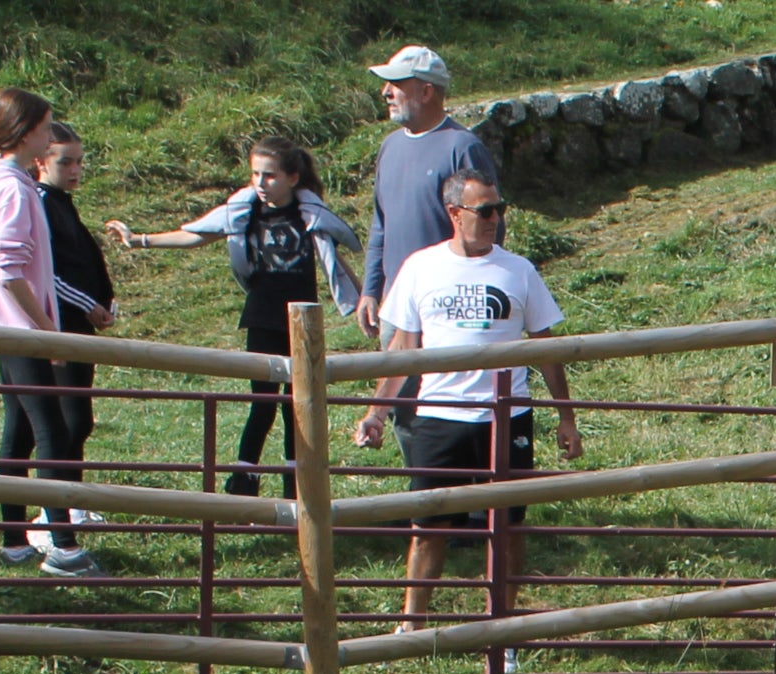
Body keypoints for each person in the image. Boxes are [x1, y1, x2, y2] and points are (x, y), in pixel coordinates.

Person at [351, 172, 583, 629]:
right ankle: (411, 623)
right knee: (429, 523)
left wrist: (567, 418)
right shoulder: (420, 267)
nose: (497, 219)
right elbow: (403, 348)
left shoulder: (519, 270)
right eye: (486, 211)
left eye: (500, 209)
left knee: (508, 525)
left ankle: (504, 624)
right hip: (440, 414)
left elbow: (548, 348)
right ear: (455, 214)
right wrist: (376, 413)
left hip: (508, 414)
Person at [109, 140, 361, 498]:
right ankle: (244, 482)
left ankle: (298, 487)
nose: (261, 182)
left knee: (298, 407)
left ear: (292, 177)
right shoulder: (245, 212)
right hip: (261, 316)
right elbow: (196, 234)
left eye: (270, 175)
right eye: (256, 173)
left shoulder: (310, 217)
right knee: (262, 403)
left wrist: (367, 299)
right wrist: (141, 240)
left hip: (301, 319)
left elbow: (335, 262)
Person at [0, 88, 98, 578]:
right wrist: (45, 328)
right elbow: (7, 264)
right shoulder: (14, 187)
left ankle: (15, 541)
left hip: (5, 328)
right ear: (23, 132)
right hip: (18, 329)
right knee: (52, 432)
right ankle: (63, 547)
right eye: (45, 127)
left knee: (18, 432)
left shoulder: (0, 179)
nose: (49, 134)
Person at [12, 124, 113, 553]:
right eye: (65, 161)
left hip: (78, 324)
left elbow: (81, 259)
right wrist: (88, 303)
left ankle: (69, 503)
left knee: (77, 418)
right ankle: (53, 512)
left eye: (79, 161)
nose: (75, 170)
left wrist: (103, 299)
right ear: (41, 162)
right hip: (58, 323)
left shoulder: (61, 203)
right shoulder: (38, 202)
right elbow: (44, 271)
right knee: (64, 422)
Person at [354, 46, 497, 338]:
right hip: (397, 306)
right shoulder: (389, 147)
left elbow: (488, 227)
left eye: (396, 84)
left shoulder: (462, 147)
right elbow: (382, 225)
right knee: (395, 384)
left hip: (447, 308)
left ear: (426, 92)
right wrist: (370, 290)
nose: (386, 93)